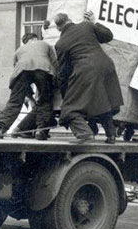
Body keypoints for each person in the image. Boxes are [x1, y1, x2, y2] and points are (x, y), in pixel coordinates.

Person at [53, 11, 123, 144]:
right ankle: (111, 135)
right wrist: (94, 22)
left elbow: (63, 73)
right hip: (107, 66)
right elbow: (108, 36)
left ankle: (84, 134)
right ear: (69, 19)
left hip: (86, 70)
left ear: (58, 28)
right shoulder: (87, 26)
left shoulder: (60, 44)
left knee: (69, 109)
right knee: (103, 101)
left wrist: (66, 95)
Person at [0, 32, 57, 140]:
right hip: (43, 69)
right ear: (35, 38)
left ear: (25, 42)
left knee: (14, 102)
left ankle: (1, 129)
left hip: (21, 70)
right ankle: (40, 131)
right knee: (45, 101)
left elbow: (18, 74)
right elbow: (55, 64)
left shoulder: (19, 50)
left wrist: (30, 97)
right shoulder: (45, 44)